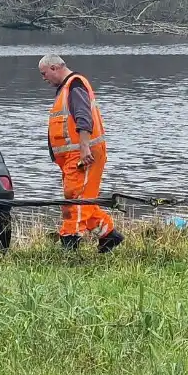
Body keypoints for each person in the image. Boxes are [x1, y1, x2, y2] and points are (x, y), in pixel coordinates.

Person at [38, 54, 124, 252]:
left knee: (74, 202)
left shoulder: (75, 86)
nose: (44, 78)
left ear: (54, 68)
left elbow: (84, 117)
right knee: (82, 200)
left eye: (44, 74)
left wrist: (84, 147)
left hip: (83, 156)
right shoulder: (66, 89)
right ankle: (108, 235)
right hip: (73, 157)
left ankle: (70, 243)